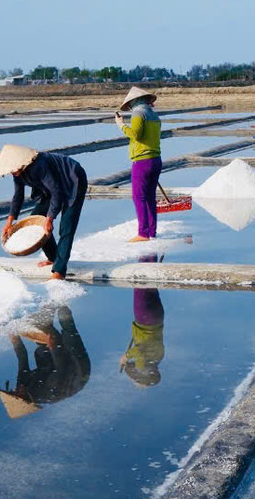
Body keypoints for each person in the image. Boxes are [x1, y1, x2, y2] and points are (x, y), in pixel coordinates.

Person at [0, 144, 87, 280]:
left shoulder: (38, 165)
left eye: (12, 169)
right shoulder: (17, 173)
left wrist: (50, 218)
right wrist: (9, 221)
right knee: (36, 223)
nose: (12, 172)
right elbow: (18, 196)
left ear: (20, 163)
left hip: (72, 179)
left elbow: (56, 192)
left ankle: (59, 271)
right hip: (52, 187)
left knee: (67, 226)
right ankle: (54, 258)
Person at [0, 307, 92, 418]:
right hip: (77, 373)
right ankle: (62, 306)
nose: (16, 389)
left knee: (44, 339)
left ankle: (46, 315)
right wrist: (52, 347)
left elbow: (22, 358)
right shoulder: (46, 393)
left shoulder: (22, 385)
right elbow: (61, 368)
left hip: (52, 367)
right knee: (69, 333)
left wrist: (15, 339)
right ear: (24, 397)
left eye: (12, 391)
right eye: (16, 393)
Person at [115, 86, 162, 243]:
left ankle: (143, 233)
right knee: (150, 197)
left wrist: (121, 125)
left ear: (133, 102)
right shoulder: (153, 115)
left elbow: (135, 135)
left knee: (138, 196)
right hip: (156, 159)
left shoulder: (138, 113)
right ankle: (151, 231)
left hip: (142, 161)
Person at [119, 254, 165, 387]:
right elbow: (138, 351)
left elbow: (140, 355)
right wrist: (125, 357)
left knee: (148, 285)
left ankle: (149, 252)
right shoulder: (145, 364)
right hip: (145, 320)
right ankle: (146, 252)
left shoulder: (157, 358)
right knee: (140, 285)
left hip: (156, 318)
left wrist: (128, 363)